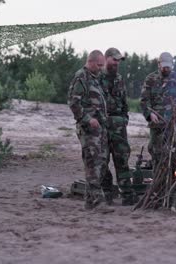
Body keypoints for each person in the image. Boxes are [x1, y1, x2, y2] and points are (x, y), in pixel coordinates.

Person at [68, 50, 112, 211]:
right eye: (99, 65)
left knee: (100, 163)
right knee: (93, 164)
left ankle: (89, 201)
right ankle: (99, 202)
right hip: (88, 129)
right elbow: (73, 103)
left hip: (99, 129)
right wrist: (88, 119)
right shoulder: (81, 77)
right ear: (91, 62)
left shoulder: (95, 78)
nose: (101, 68)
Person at [140, 52, 176, 166]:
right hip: (157, 123)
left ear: (172, 65)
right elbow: (144, 101)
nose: (166, 68)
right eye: (164, 66)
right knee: (154, 149)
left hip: (175, 123)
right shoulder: (150, 79)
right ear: (159, 64)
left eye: (168, 66)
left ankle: (174, 175)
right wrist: (149, 115)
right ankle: (158, 171)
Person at [100, 48, 135, 206]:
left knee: (122, 159)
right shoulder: (97, 77)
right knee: (102, 160)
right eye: (114, 59)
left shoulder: (120, 78)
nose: (117, 63)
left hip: (119, 127)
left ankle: (127, 194)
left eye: (119, 60)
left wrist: (125, 118)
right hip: (102, 126)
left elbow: (124, 102)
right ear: (106, 59)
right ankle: (107, 193)